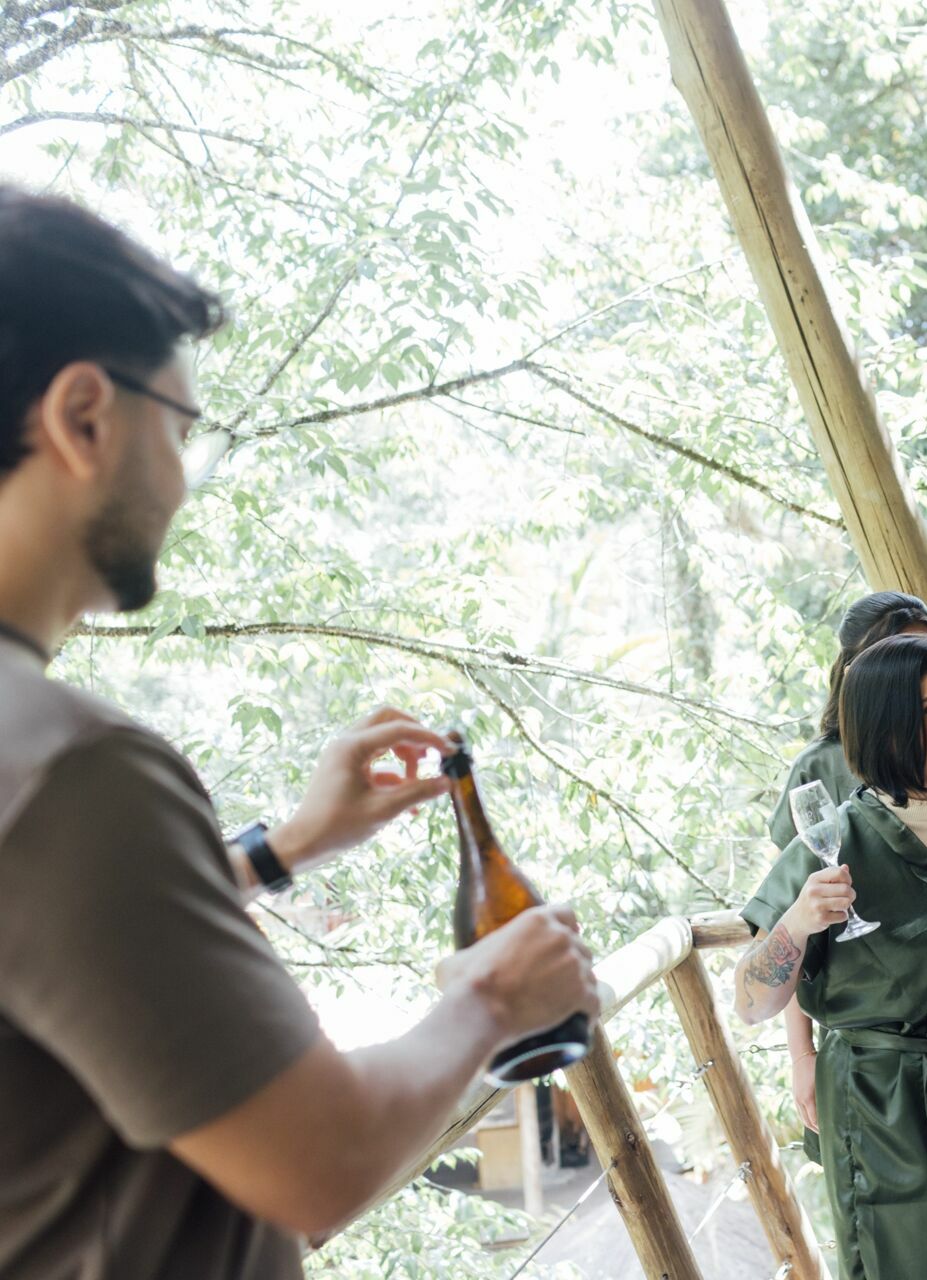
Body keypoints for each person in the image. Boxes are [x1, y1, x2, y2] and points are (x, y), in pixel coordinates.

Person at [0, 188, 600, 1278]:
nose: (181, 482)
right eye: (180, 430)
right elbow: (321, 1159)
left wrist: (286, 848)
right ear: (84, 416)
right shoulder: (71, 771)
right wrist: (493, 995)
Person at [737, 634, 927, 1280]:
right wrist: (797, 922)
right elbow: (751, 1002)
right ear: (885, 726)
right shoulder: (831, 845)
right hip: (881, 1114)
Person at [766, 590, 927, 1152]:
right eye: (895, 655)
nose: (912, 667)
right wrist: (802, 1056)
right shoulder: (819, 769)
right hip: (877, 1056)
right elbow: (790, 914)